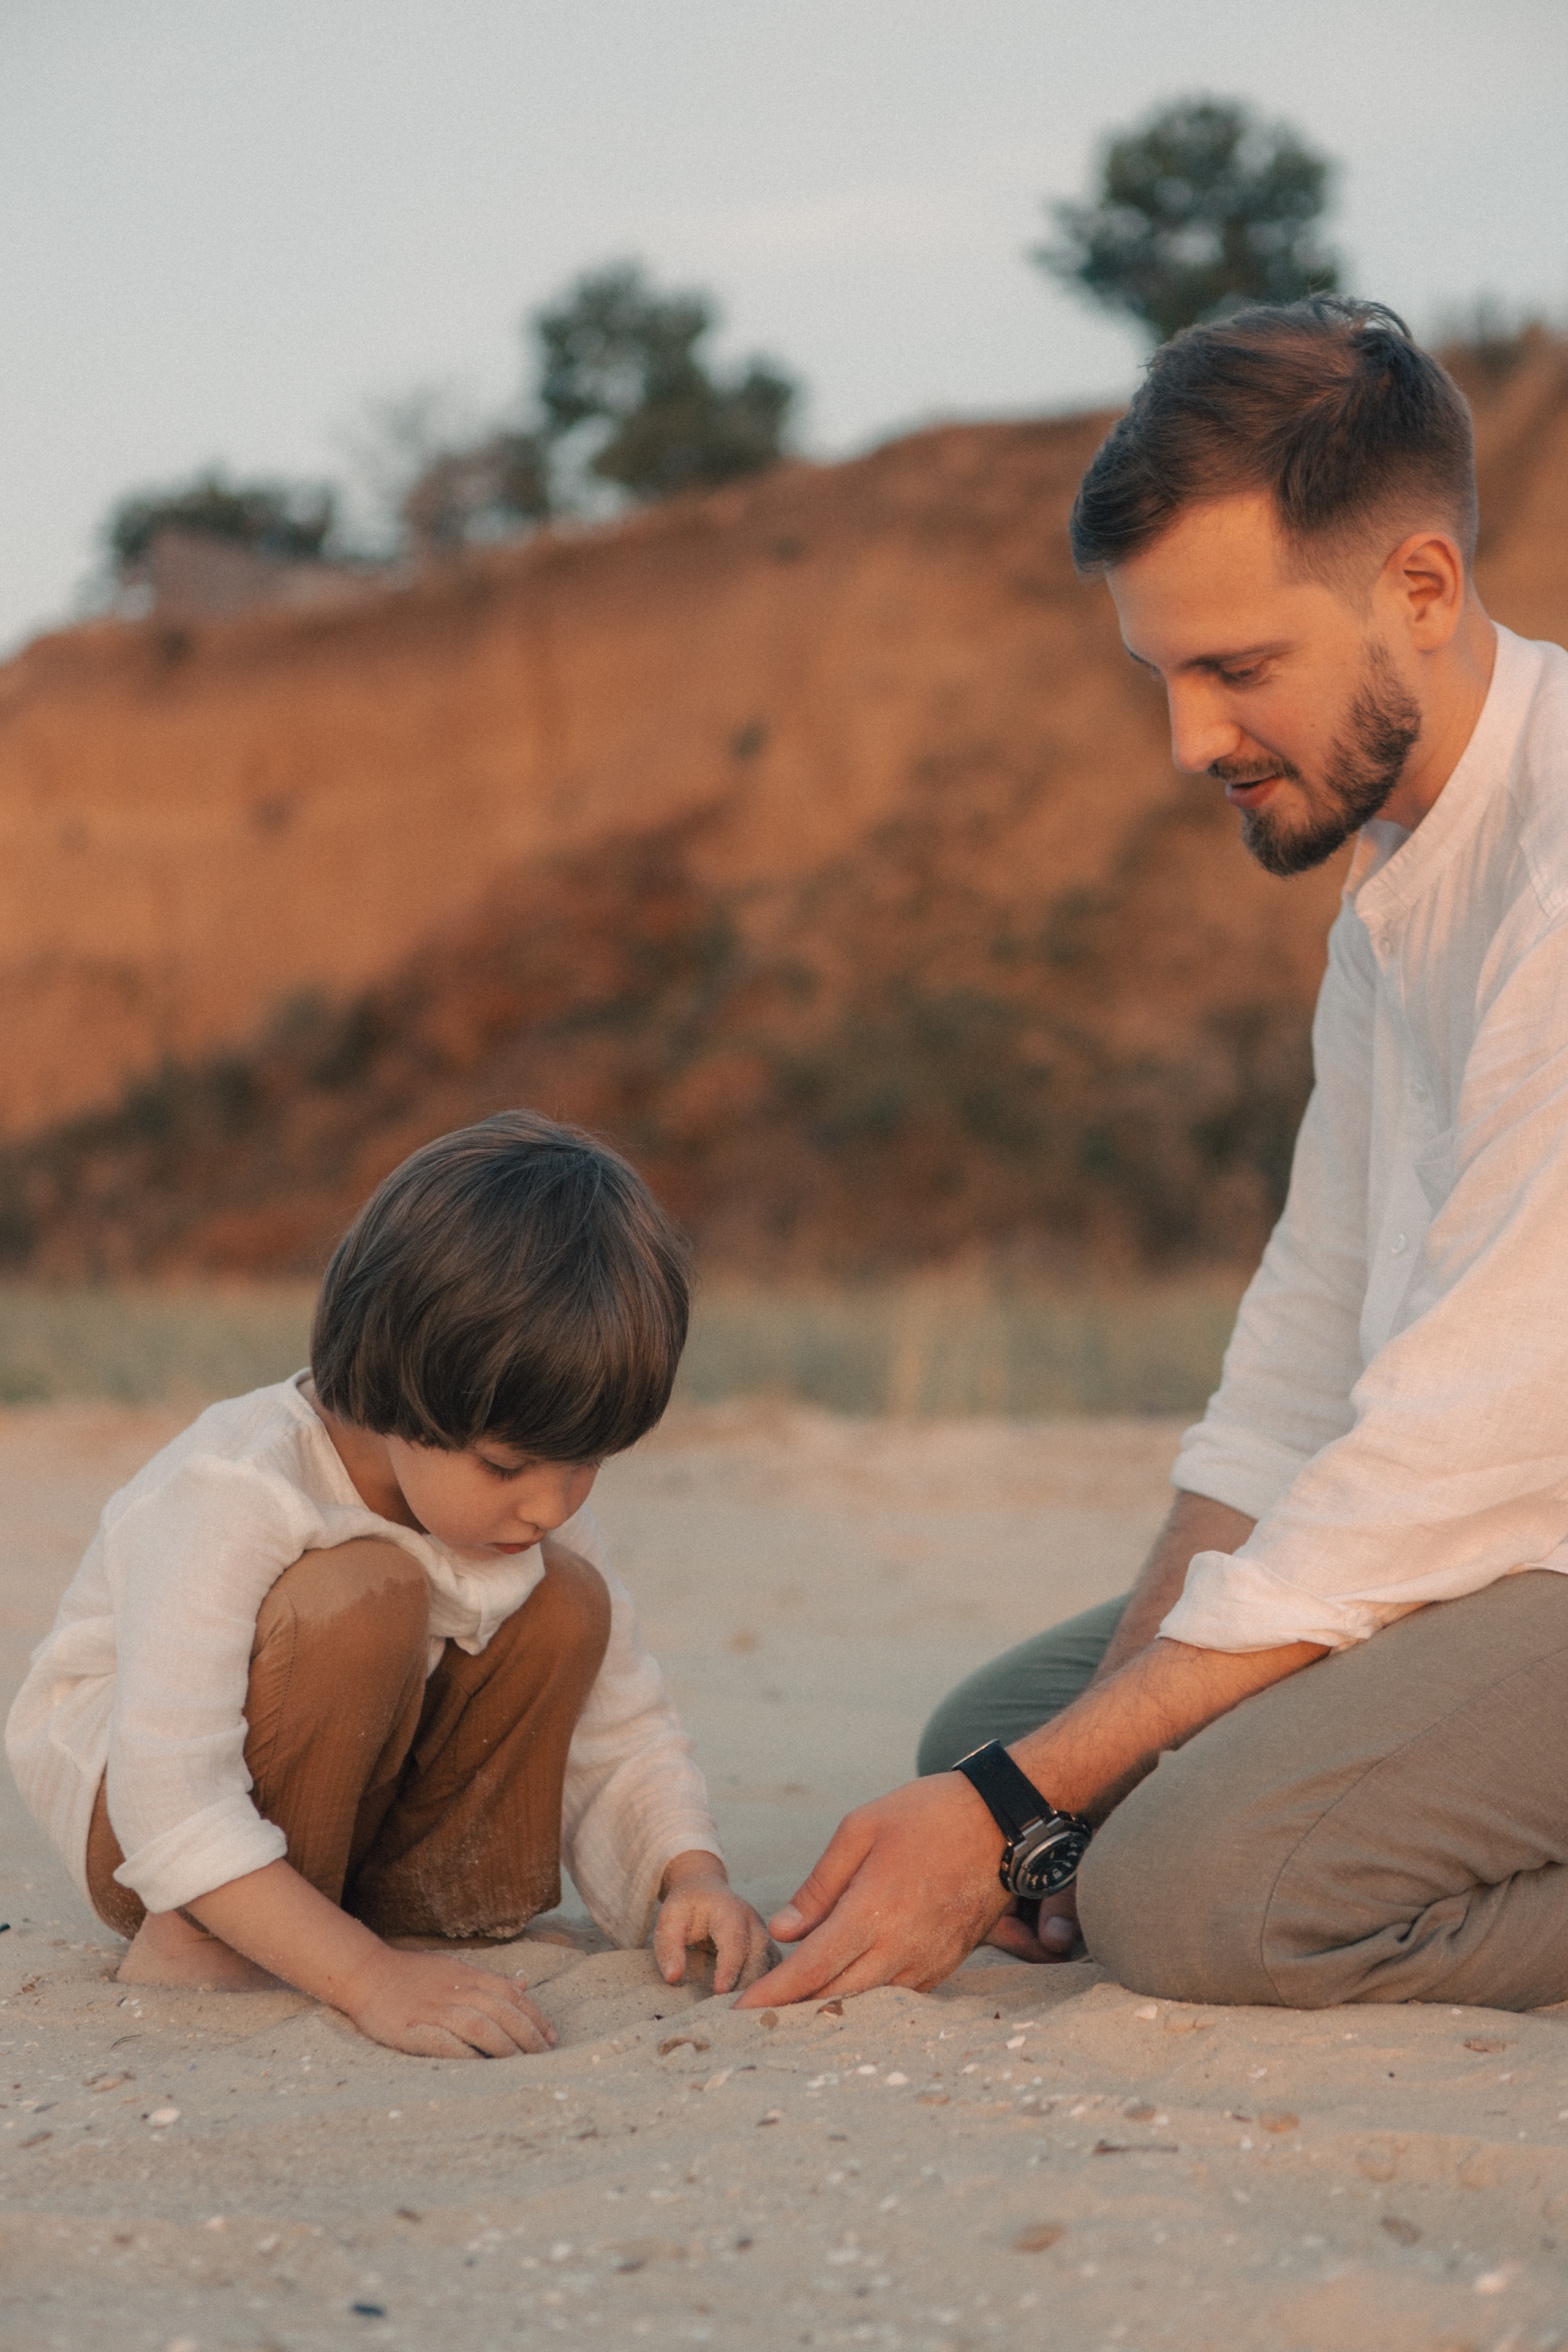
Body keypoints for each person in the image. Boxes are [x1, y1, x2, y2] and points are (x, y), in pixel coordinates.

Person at [738, 295, 1568, 2017]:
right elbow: (1291, 1382)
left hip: (1525, 1526)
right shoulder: (1394, 903)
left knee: (1204, 1892)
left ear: (1419, 589)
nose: (1189, 742)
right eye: (1164, 675)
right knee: (992, 1739)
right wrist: (1032, 1797)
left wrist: (1028, 1817)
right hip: (1489, 1538)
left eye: (1238, 669)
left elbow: (1459, 1452)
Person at [7, 1111, 767, 2057]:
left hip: (354, 1811)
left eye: (586, 1465)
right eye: (507, 1468)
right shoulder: (235, 1490)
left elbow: (624, 1727)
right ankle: (204, 1942)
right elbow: (168, 1795)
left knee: (567, 1600)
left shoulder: (534, 1509)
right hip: (149, 1840)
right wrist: (364, 1981)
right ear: (404, 1389)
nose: (549, 1505)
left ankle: (438, 1918)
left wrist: (689, 1876)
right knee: (368, 1593)